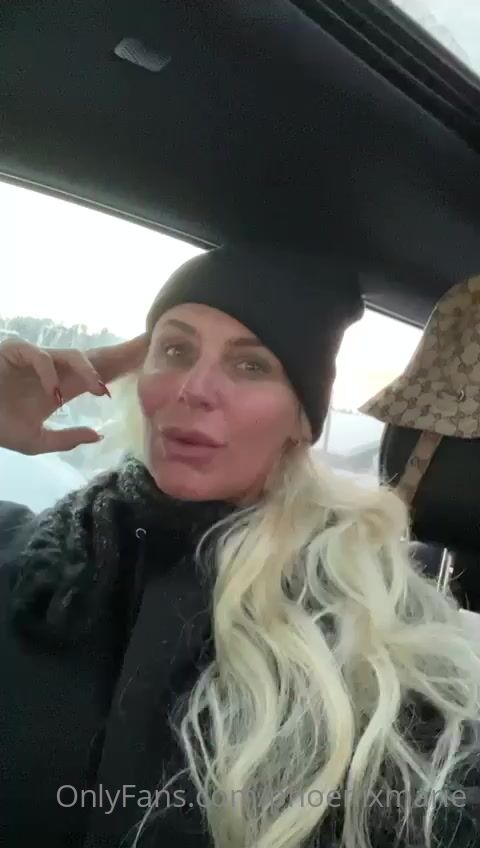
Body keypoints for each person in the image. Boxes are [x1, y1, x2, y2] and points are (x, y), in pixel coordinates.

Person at [0, 247, 479, 848]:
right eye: (175, 351)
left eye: (251, 365)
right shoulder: (23, 552)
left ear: (302, 421)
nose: (193, 389)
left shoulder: (378, 626)